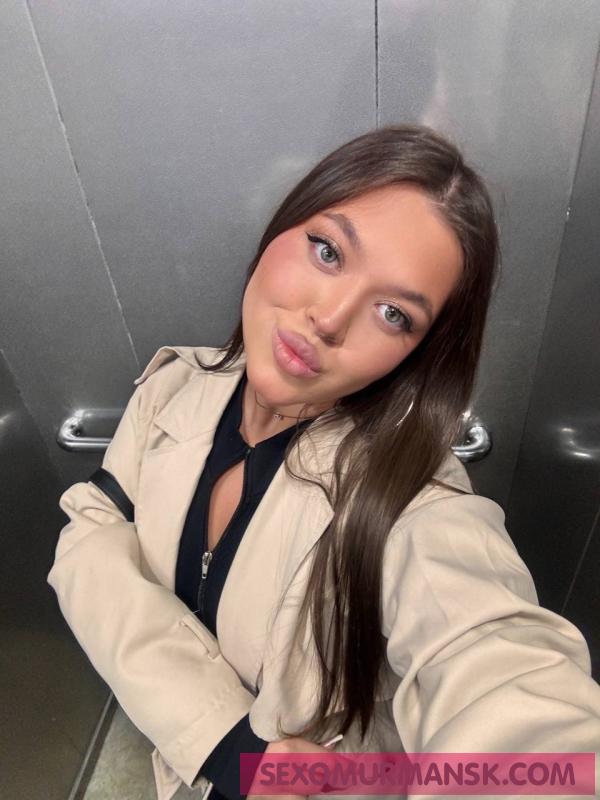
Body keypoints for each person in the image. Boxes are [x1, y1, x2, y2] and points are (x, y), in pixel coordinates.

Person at [47, 125, 600, 800]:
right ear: (280, 229)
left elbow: (510, 689)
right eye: (328, 251)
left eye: (393, 313)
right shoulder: (173, 387)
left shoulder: (410, 505)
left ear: (416, 354)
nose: (331, 318)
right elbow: (88, 533)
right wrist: (227, 745)